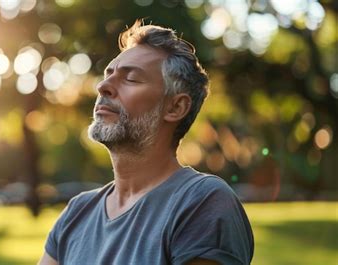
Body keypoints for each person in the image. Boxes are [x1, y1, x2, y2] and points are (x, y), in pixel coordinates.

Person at [39, 20, 254, 265]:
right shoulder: (77, 213)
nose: (103, 86)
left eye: (130, 78)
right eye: (108, 75)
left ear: (175, 107)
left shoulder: (202, 202)